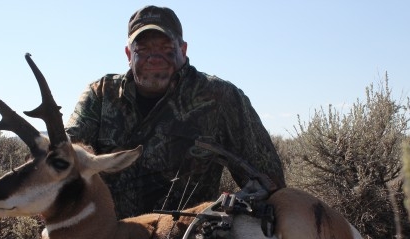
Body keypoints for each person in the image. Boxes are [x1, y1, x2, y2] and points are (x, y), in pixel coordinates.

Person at [65, 5, 286, 219]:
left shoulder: (219, 97)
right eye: (143, 50)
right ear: (128, 54)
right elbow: (64, 153)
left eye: (165, 48)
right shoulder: (101, 94)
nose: (154, 58)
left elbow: (269, 181)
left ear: (183, 50)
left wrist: (236, 209)